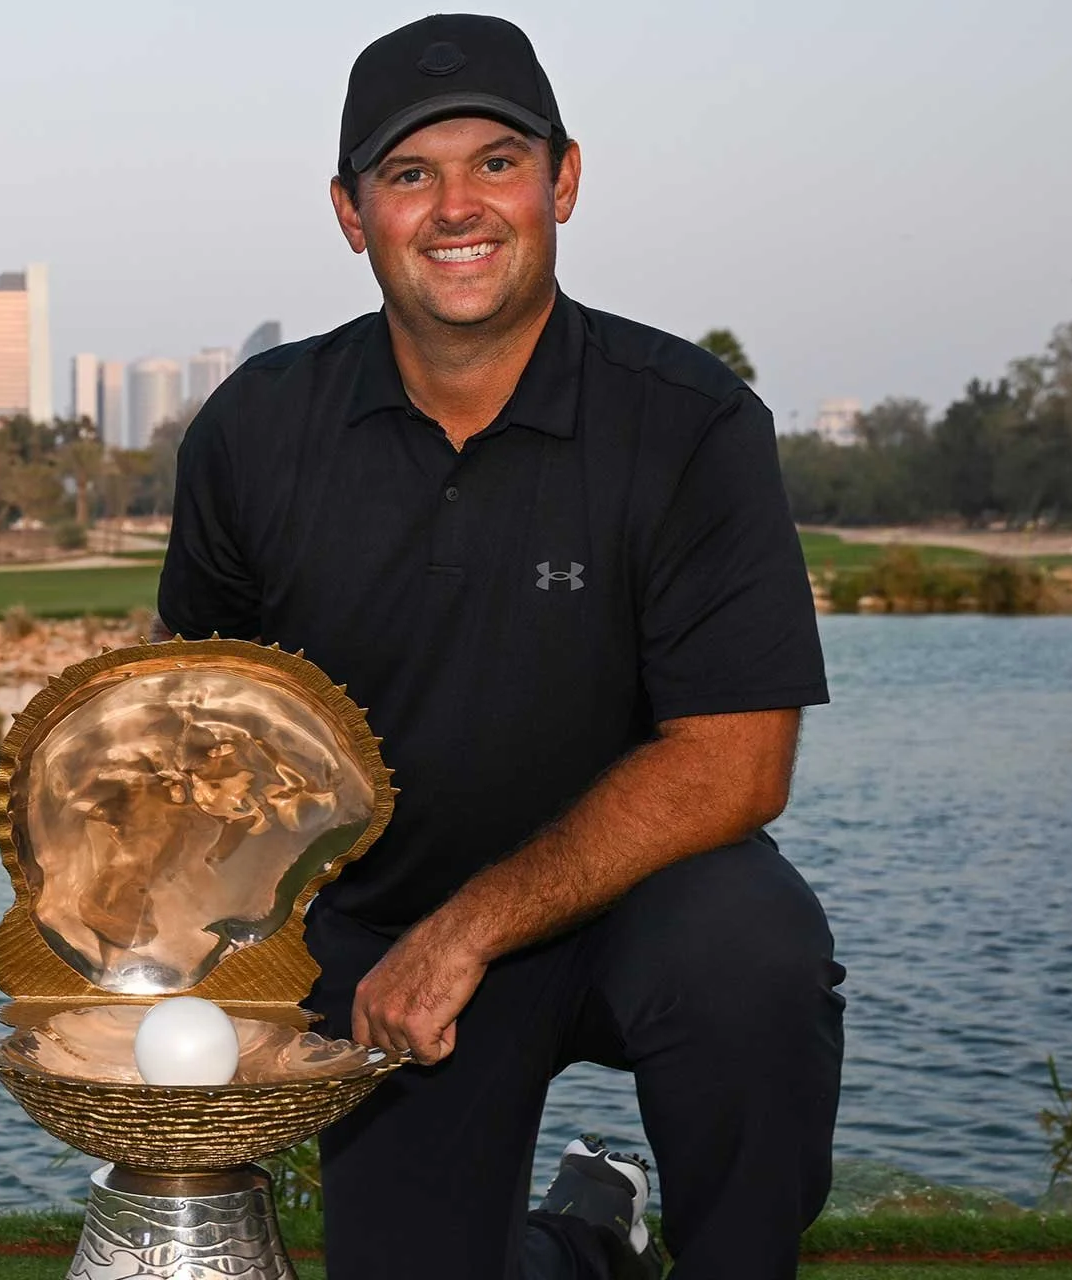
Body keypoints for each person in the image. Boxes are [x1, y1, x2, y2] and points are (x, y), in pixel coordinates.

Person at [154, 14, 845, 1279]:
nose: (456, 206)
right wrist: (174, 951)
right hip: (376, 929)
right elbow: (204, 728)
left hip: (642, 909)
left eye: (497, 162)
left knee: (755, 951)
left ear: (564, 179)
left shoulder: (689, 423)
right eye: (410, 173)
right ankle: (589, 1234)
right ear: (351, 213)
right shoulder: (255, 429)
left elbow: (741, 759)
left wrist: (469, 929)